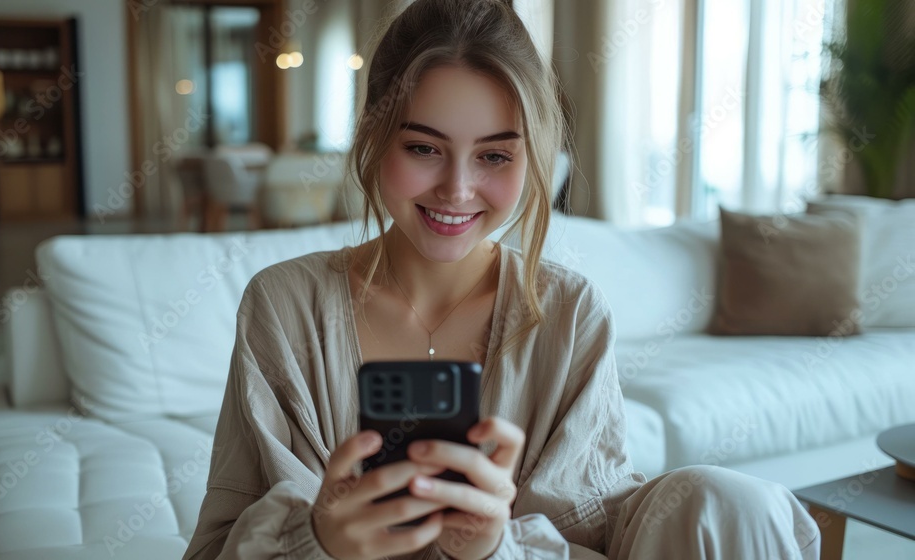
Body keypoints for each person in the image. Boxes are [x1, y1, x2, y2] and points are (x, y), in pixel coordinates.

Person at [182, 0, 820, 558]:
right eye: (424, 147)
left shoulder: (569, 310)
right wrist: (320, 544)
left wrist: (494, 547)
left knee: (730, 502)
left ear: (532, 157)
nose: (457, 190)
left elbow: (585, 532)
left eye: (494, 155)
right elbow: (218, 545)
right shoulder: (283, 305)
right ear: (375, 135)